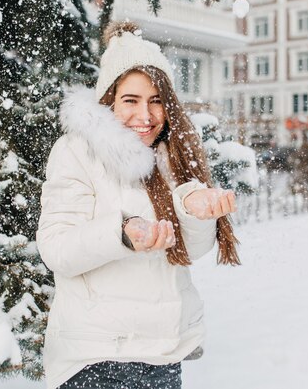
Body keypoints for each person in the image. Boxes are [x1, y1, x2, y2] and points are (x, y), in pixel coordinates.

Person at [36, 21, 240, 389]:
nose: (145, 116)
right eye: (131, 100)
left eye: (156, 101)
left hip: (161, 351)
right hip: (96, 355)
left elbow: (189, 251)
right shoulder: (77, 152)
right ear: (109, 99)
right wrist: (123, 233)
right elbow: (57, 249)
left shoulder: (172, 153)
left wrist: (196, 212)